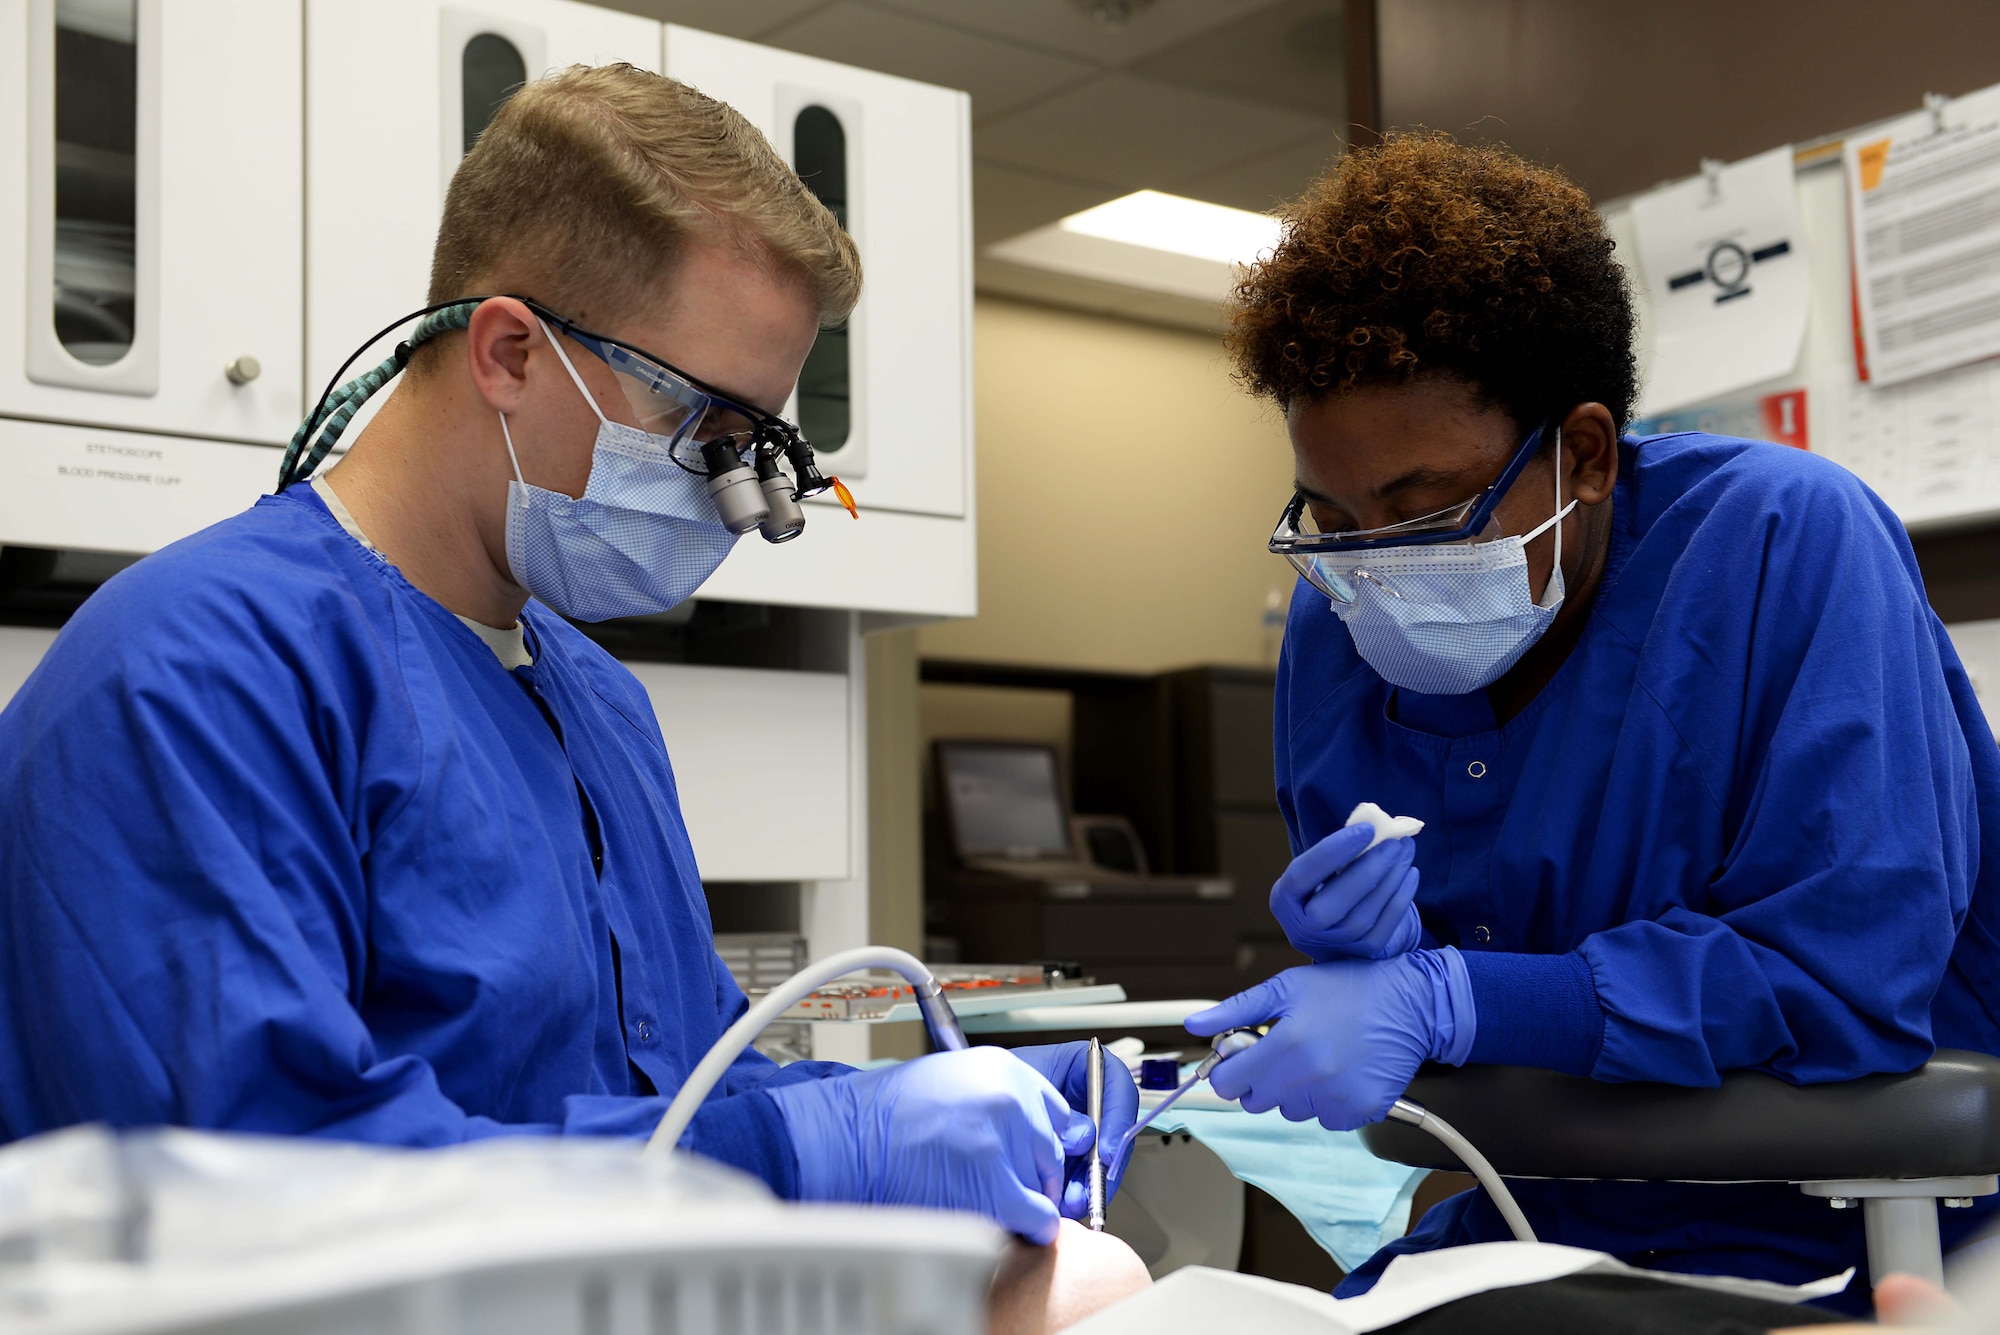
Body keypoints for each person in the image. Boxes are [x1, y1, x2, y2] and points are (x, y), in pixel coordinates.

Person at [0, 63, 1134, 1244]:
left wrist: (891, 1110)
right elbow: (259, 1185)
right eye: (700, 427)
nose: (735, 495)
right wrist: (798, 1153)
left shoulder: (595, 703)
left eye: (757, 443)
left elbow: (678, 1092)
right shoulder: (193, 673)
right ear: (508, 353)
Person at [1182, 132, 2000, 1312]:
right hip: (1547, 1215)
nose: (1372, 561)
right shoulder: (1339, 620)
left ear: (1583, 455)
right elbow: (1409, 989)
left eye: (1424, 508)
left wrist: (1451, 996)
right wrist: (1366, 960)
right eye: (1331, 514)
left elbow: (1844, 986)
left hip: (1862, 1231)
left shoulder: (1782, 542)